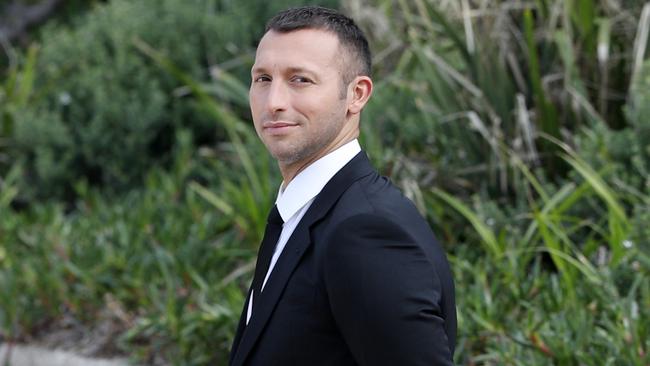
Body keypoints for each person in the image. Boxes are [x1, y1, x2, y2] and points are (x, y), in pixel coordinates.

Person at [229, 6, 456, 366]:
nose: (273, 102)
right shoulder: (305, 214)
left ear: (358, 94)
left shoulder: (366, 232)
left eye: (300, 79)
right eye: (262, 79)